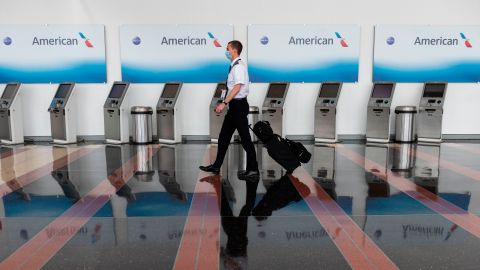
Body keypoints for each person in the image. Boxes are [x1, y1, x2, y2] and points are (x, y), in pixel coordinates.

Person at [200, 40, 259, 181]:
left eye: (227, 49)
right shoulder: (234, 66)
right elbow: (234, 87)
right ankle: (216, 166)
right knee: (224, 137)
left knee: (245, 139)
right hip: (234, 107)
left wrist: (224, 103)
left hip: (238, 106)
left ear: (234, 50)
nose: (226, 51)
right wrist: (225, 94)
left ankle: (253, 169)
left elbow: (238, 87)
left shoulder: (238, 67)